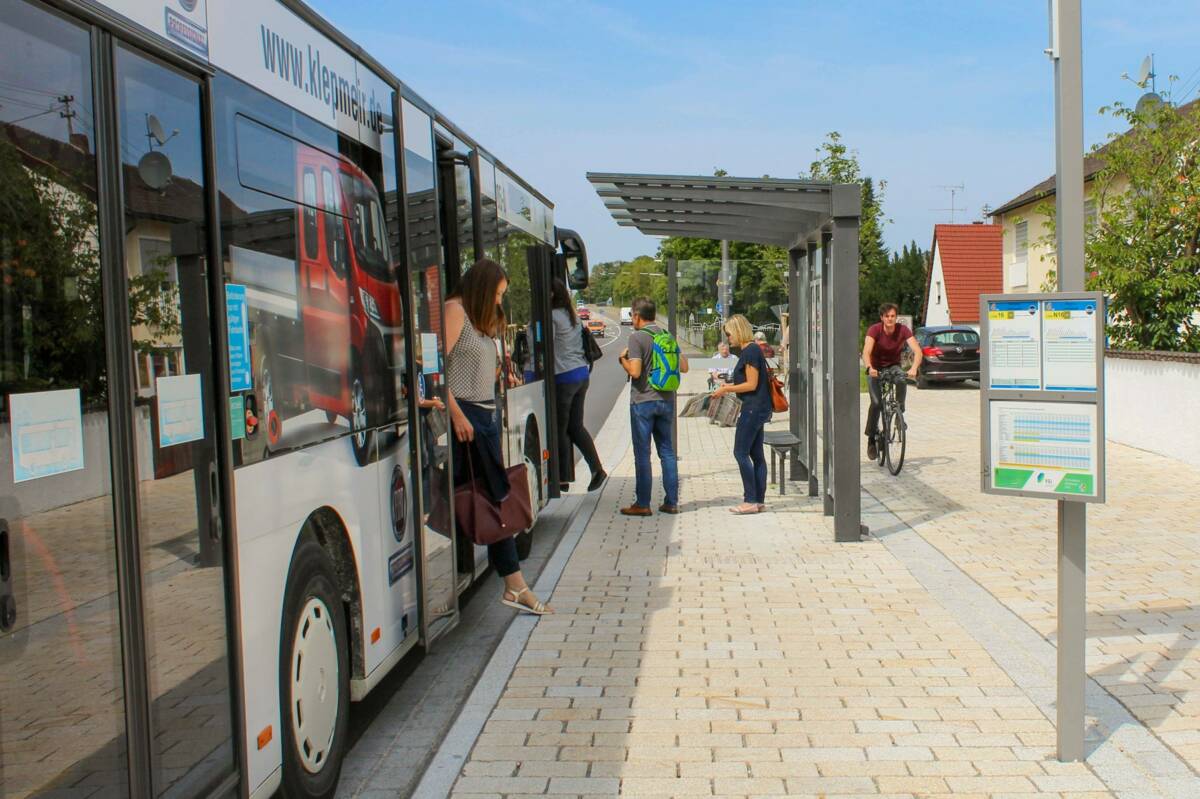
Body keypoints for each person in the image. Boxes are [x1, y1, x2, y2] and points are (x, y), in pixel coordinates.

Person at [445, 258, 551, 615]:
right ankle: (515, 586)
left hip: (485, 416)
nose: (498, 301)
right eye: (497, 294)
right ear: (481, 287)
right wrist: (457, 414)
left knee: (492, 498)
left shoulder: (476, 318)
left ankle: (514, 585)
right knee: (495, 498)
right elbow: (433, 370)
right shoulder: (455, 311)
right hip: (468, 417)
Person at [617, 298, 688, 516]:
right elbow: (684, 366)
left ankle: (643, 503)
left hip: (643, 402)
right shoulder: (667, 336)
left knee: (642, 454)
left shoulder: (636, 338)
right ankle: (671, 502)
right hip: (666, 400)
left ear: (637, 315)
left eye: (632, 315)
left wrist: (622, 360)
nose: (632, 319)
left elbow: (635, 372)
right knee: (667, 452)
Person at [549, 279, 606, 493]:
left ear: (551, 295)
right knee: (575, 426)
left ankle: (562, 478)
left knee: (560, 428)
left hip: (564, 377)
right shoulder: (571, 315)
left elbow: (545, 345)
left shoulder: (552, 316)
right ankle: (597, 470)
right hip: (581, 374)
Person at [712, 314, 772, 514]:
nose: (728, 339)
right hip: (758, 407)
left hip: (752, 408)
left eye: (729, 334)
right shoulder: (752, 350)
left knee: (740, 452)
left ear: (738, 331)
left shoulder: (750, 351)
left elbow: (751, 384)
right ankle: (758, 500)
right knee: (756, 455)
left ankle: (750, 500)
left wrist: (726, 389)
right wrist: (729, 385)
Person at [862, 302, 922, 461]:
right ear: (882, 317)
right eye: (887, 316)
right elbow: (866, 351)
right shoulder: (874, 330)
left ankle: (899, 414)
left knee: (901, 379)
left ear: (896, 317)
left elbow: (917, 351)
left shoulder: (903, 330)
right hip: (875, 368)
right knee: (876, 403)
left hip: (893, 366)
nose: (890, 319)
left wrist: (914, 368)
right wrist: (869, 367)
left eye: (893, 316)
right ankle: (871, 439)